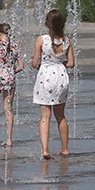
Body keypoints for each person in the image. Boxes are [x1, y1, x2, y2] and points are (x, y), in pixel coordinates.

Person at [32, 9, 74, 160]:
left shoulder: (41, 39)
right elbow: (71, 63)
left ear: (47, 23)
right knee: (61, 115)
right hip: (61, 76)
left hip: (46, 76)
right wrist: (59, 62)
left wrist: (38, 62)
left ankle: (45, 150)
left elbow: (35, 62)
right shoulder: (67, 41)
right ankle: (64, 148)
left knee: (45, 116)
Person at [0, 23, 23, 147]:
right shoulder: (15, 46)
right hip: (10, 79)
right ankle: (9, 139)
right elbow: (21, 66)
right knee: (8, 109)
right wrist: (11, 72)